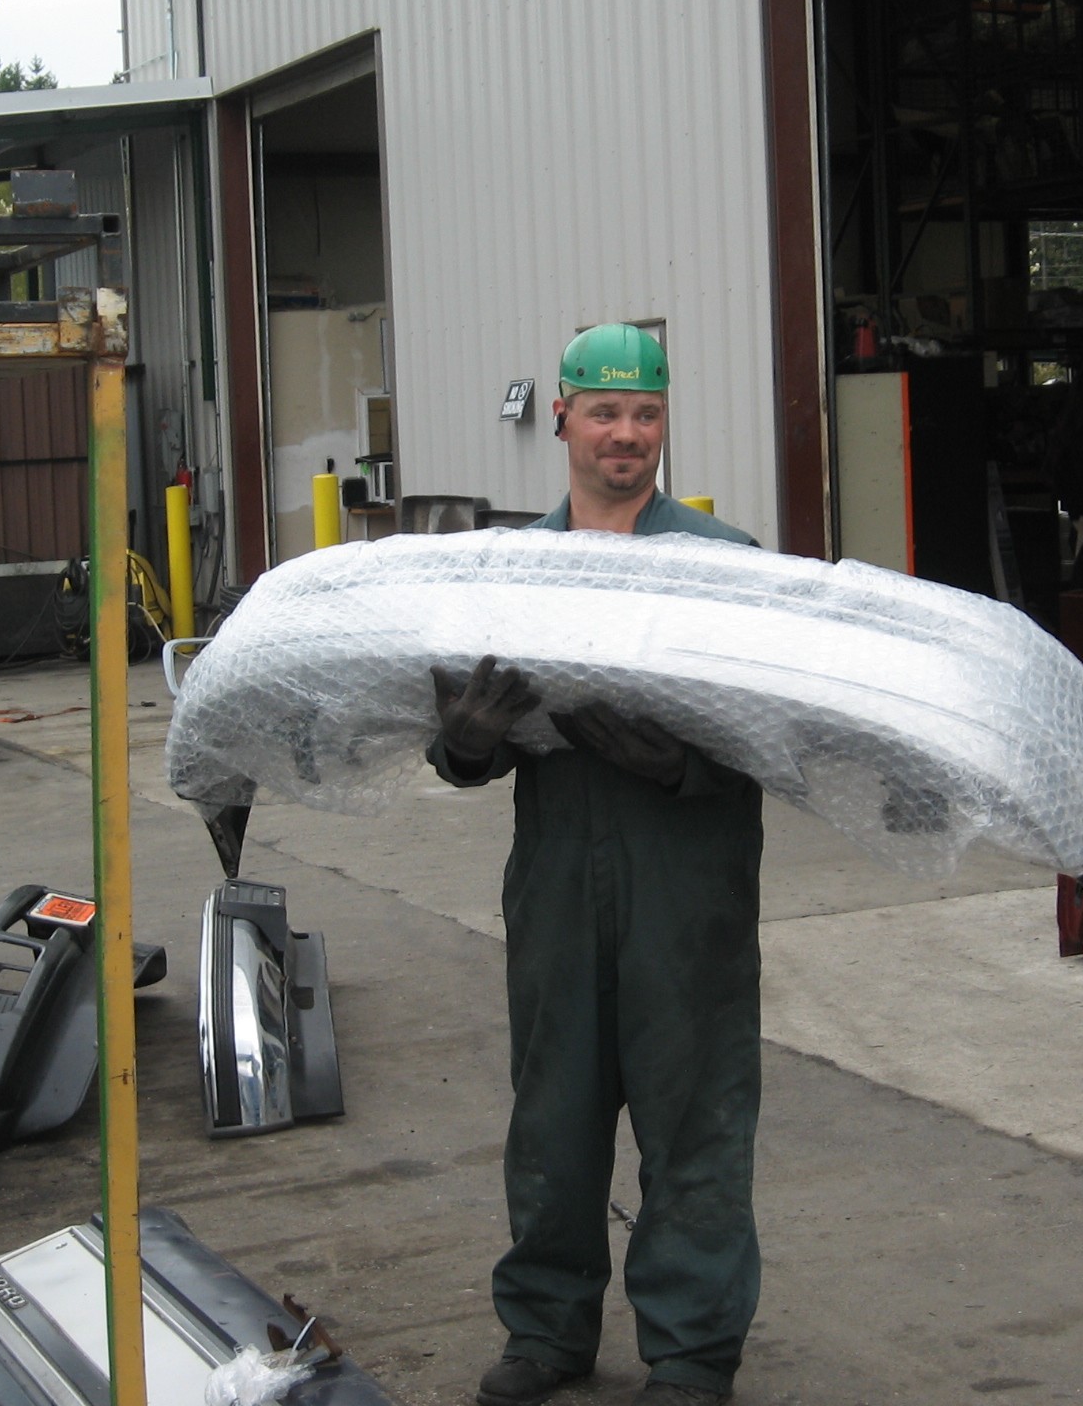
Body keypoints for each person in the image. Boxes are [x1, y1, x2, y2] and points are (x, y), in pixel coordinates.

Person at [426, 325, 765, 1406]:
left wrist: (685, 769)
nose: (627, 434)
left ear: (664, 423)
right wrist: (463, 745)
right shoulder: (509, 576)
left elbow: (785, 740)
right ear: (562, 417)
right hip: (558, 887)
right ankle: (545, 1330)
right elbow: (458, 735)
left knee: (694, 1120)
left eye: (646, 413)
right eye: (606, 412)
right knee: (553, 1116)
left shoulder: (725, 570)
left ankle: (692, 1351)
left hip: (687, 893)